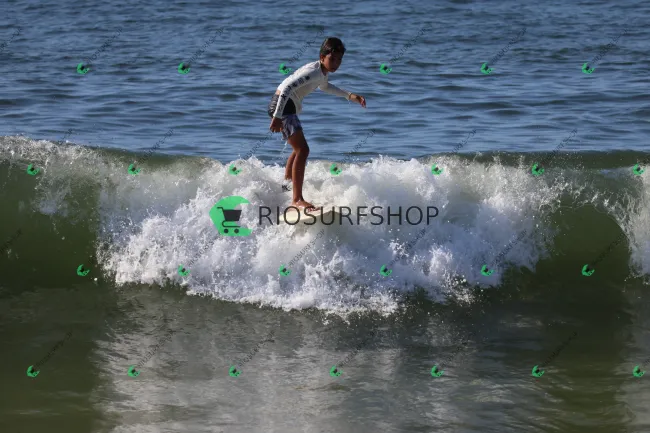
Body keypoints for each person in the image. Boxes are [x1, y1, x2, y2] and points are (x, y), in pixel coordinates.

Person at [267, 37, 366, 212]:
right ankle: (297, 200)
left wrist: (350, 95)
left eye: (339, 60)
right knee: (303, 150)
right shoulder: (313, 72)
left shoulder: (322, 73)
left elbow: (325, 87)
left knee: (298, 150)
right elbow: (287, 87)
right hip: (283, 106)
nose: (336, 63)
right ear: (322, 57)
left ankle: (287, 186)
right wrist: (277, 116)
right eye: (332, 59)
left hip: (287, 107)